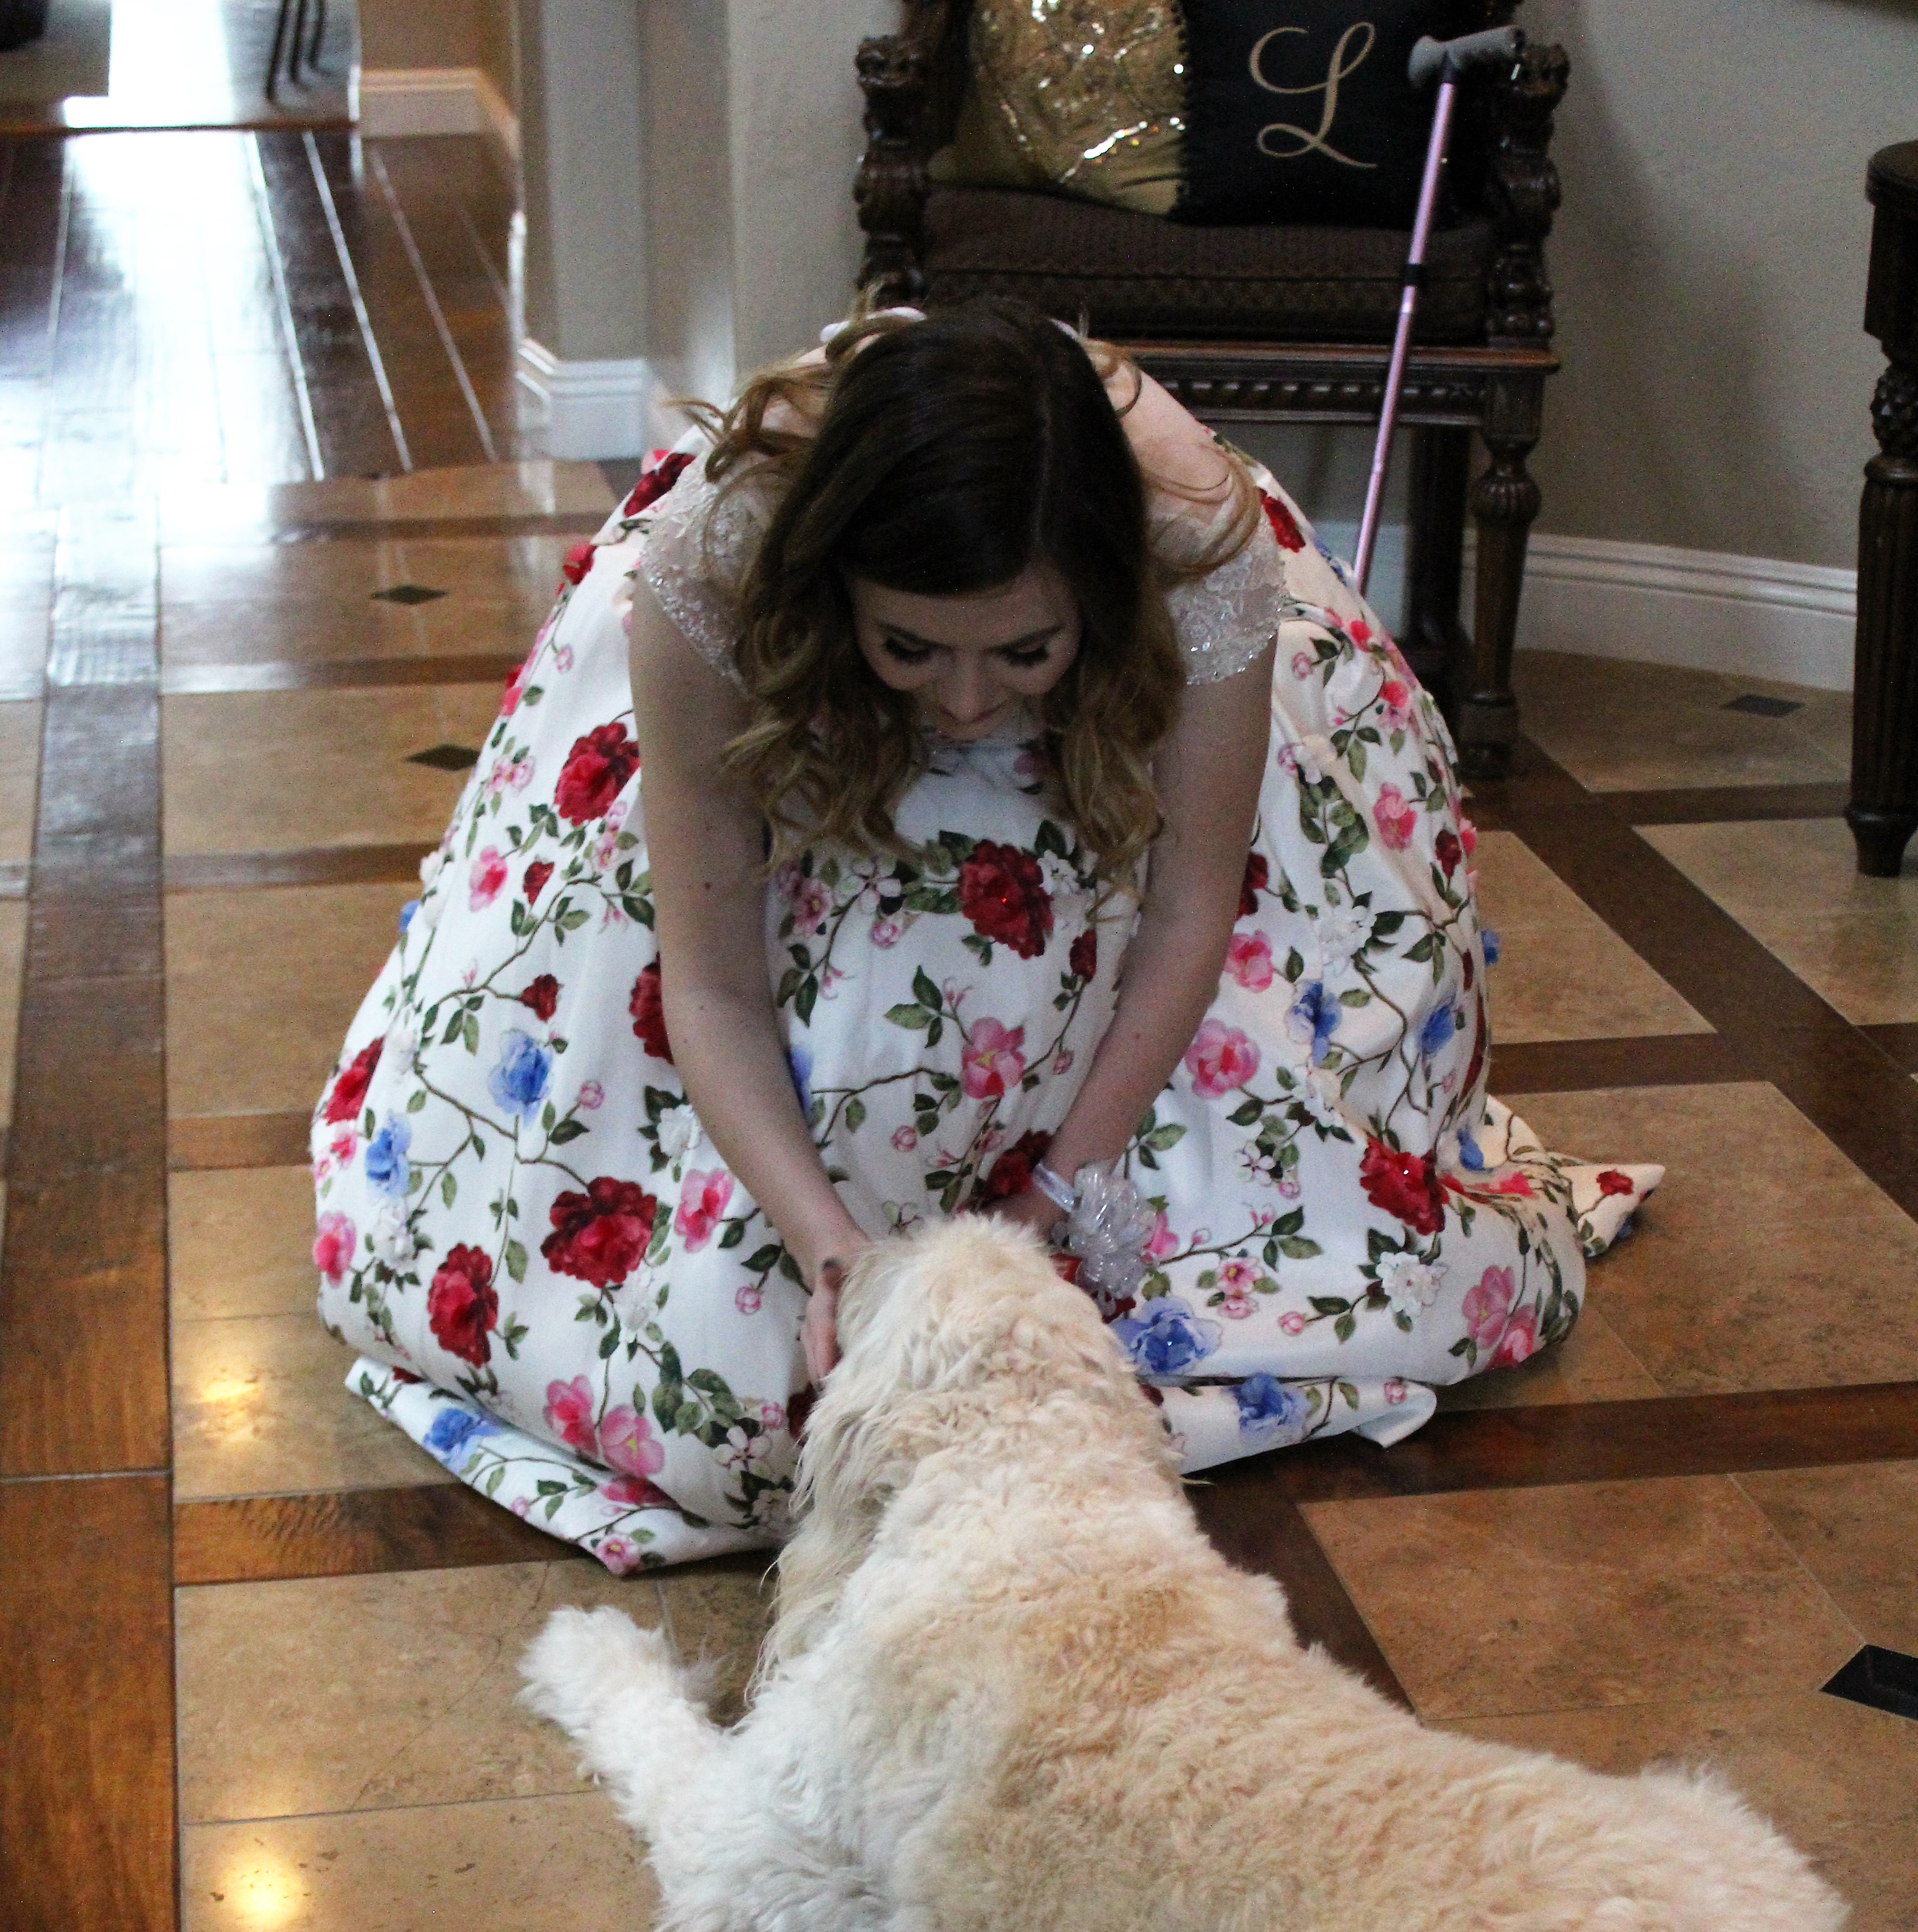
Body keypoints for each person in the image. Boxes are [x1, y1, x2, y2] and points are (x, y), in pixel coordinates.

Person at [311, 299, 1656, 1573]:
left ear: (1098, 600)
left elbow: (1193, 910)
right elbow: (711, 990)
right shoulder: (717, 568)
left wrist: (1054, 1194)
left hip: (1150, 711)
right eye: (911, 648)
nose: (964, 702)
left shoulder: (1194, 543)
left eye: (1022, 654)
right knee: (740, 1408)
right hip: (778, 696)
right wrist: (833, 1251)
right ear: (840, 591)